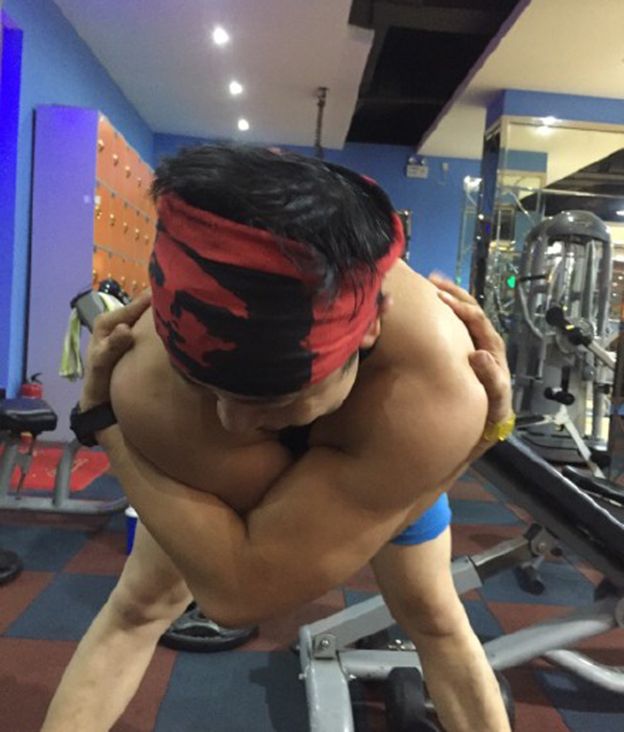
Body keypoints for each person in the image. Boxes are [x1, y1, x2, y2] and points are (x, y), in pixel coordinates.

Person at [42, 145, 514, 732]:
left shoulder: (436, 384)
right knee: (139, 607)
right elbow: (237, 596)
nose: (232, 423)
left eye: (270, 402)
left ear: (372, 326)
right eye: (207, 388)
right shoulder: (147, 379)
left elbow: (247, 590)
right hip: (198, 427)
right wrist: (108, 420)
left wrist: (101, 424)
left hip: (384, 439)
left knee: (436, 618)